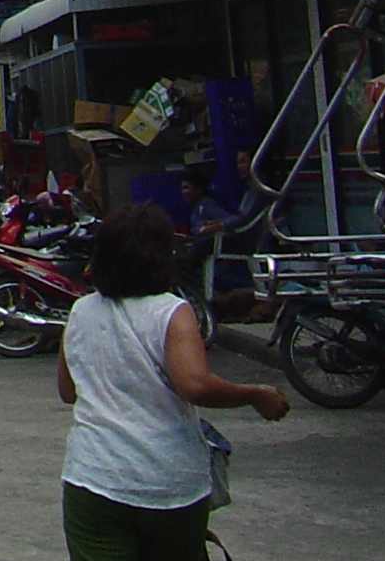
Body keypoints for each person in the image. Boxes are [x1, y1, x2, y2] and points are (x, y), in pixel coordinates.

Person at [55, 203, 288, 559]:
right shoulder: (171, 312)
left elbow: (69, 391)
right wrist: (256, 394)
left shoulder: (81, 311)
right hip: (167, 483)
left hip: (93, 479)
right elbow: (195, 385)